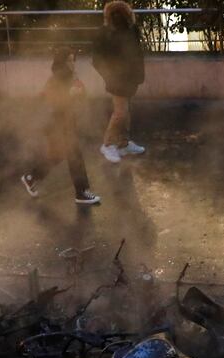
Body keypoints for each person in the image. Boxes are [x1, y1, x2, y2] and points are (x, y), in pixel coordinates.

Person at [21, 48, 101, 205]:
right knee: (75, 157)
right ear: (62, 62)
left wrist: (78, 91)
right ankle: (82, 192)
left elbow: (81, 95)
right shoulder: (55, 79)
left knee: (56, 156)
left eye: (73, 60)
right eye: (69, 60)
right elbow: (53, 101)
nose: (73, 63)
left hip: (66, 123)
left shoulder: (71, 76)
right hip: (59, 125)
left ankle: (31, 178)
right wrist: (69, 94)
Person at [92, 1, 146, 164]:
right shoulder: (105, 33)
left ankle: (123, 143)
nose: (118, 17)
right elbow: (97, 60)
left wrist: (138, 75)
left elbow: (137, 54)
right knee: (120, 113)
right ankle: (107, 144)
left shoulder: (131, 30)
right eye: (115, 14)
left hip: (130, 79)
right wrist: (110, 76)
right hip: (117, 80)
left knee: (125, 112)